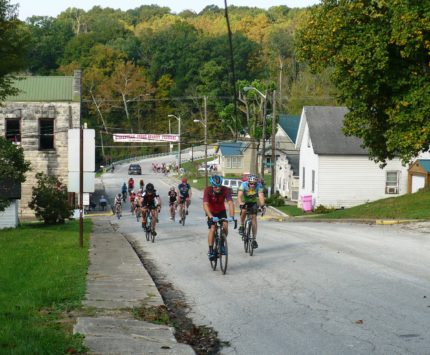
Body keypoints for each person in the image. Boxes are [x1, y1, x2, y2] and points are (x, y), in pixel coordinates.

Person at [203, 175, 235, 260]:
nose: (218, 188)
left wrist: (232, 216)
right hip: (211, 212)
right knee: (213, 228)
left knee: (225, 225)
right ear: (212, 185)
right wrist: (210, 216)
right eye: (215, 187)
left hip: (221, 211)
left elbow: (230, 203)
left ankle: (221, 244)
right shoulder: (208, 190)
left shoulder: (225, 190)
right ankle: (210, 250)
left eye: (219, 186)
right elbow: (205, 205)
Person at [237, 174, 266, 249]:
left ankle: (254, 239)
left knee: (254, 218)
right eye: (251, 183)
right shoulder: (243, 185)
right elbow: (239, 196)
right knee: (243, 211)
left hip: (253, 203)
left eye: (254, 184)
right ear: (248, 182)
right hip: (245, 202)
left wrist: (262, 205)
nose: (252, 185)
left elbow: (261, 196)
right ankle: (242, 226)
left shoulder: (259, 186)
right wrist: (240, 203)